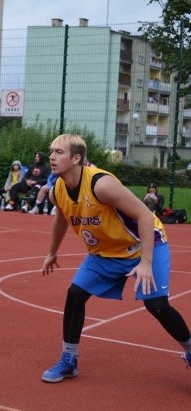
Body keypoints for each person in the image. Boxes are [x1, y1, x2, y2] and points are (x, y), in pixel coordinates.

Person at [40, 133, 191, 383]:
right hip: (105, 252)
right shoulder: (57, 189)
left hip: (141, 245)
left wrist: (145, 262)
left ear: (77, 158)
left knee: (157, 305)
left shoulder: (101, 184)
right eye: (51, 151)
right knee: (76, 295)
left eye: (59, 152)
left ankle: (189, 349)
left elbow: (144, 215)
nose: (52, 157)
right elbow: (60, 219)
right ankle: (69, 360)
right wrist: (51, 252)